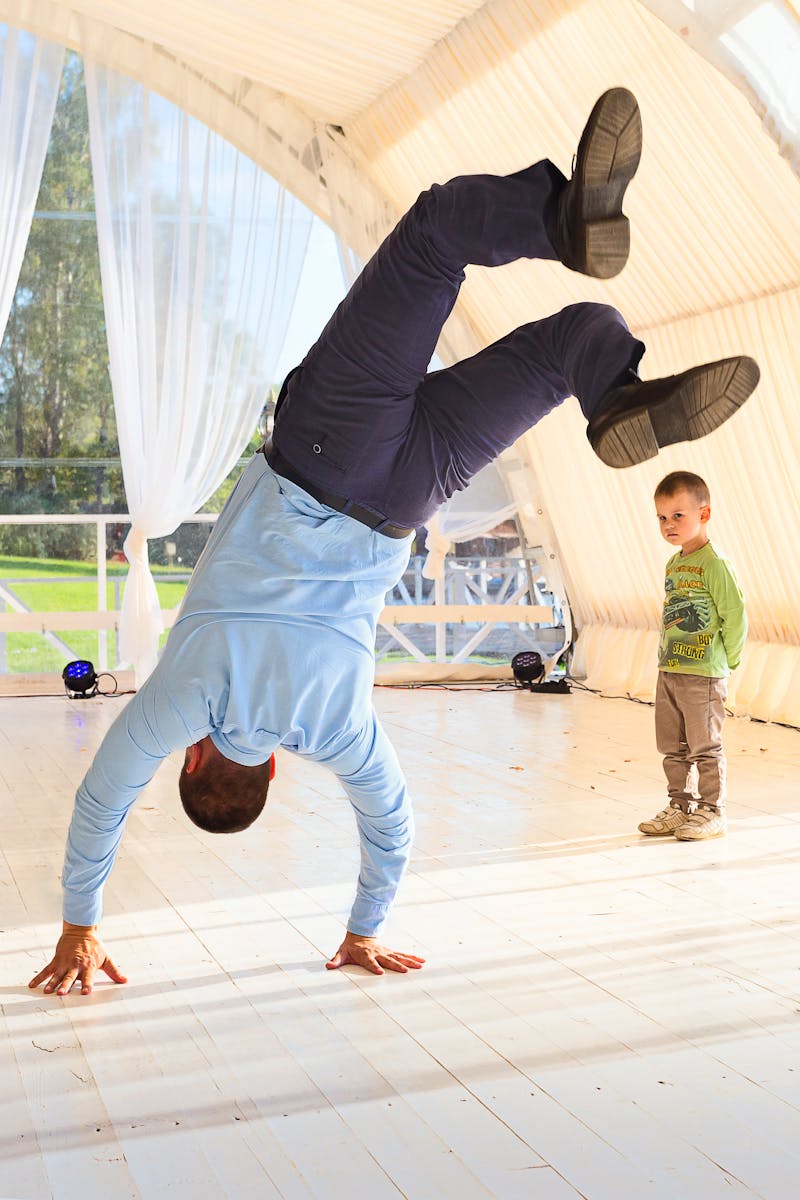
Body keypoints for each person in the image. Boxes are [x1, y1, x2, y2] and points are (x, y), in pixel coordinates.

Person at [30, 88, 759, 996]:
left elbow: (393, 824)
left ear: (266, 778)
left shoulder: (335, 729)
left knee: (569, 342)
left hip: (406, 497)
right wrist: (77, 925)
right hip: (327, 449)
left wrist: (363, 929)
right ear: (197, 757)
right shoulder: (185, 701)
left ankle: (611, 391)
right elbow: (102, 801)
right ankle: (561, 219)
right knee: (435, 233)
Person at [638, 470, 747, 840]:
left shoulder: (714, 564)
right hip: (670, 668)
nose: (668, 524)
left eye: (678, 515)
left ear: (704, 514)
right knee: (672, 745)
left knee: (704, 745)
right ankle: (678, 805)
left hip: (703, 673)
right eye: (662, 517)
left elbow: (734, 615)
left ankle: (712, 810)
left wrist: (727, 663)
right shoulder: (674, 563)